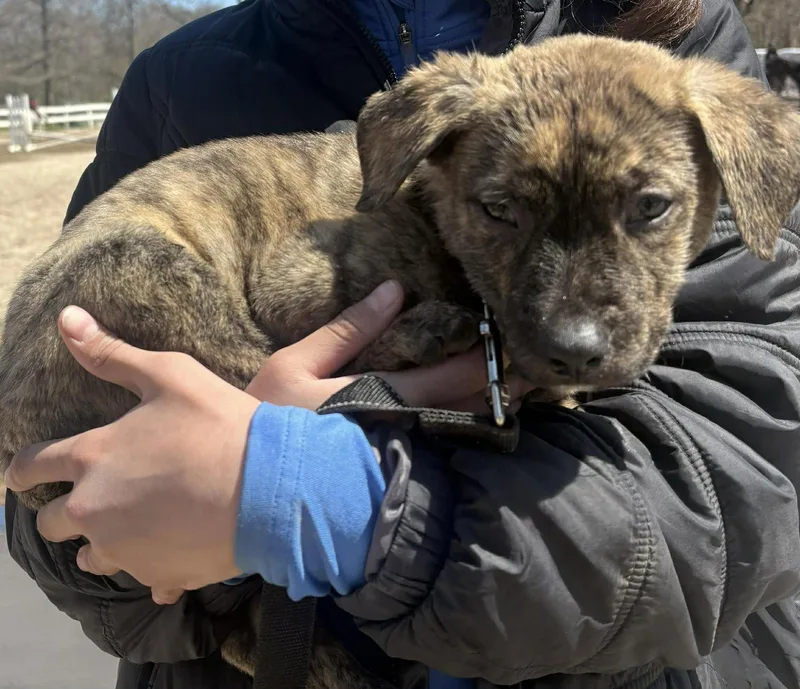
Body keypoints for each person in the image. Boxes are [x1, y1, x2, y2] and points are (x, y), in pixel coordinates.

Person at [4, 1, 800, 688]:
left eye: (649, 210)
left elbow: (748, 474)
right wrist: (257, 464)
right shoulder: (184, 83)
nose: (577, 324)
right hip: (111, 320)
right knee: (123, 282)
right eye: (502, 212)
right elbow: (36, 485)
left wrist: (341, 493)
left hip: (598, 647)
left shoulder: (683, 44)